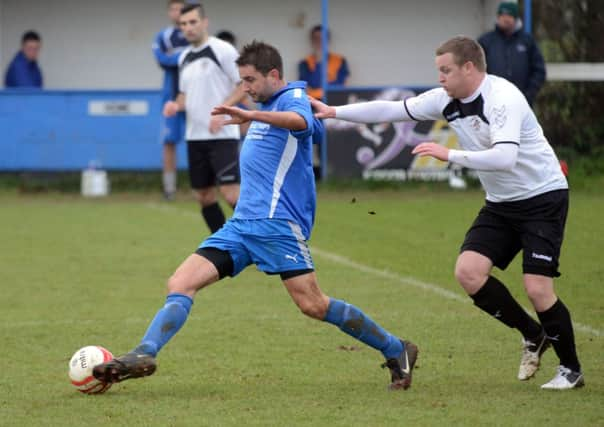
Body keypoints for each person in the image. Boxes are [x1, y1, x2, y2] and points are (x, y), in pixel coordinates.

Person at [92, 40, 418, 392]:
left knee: (313, 304)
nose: (244, 88)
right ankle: (144, 353)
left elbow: (300, 121)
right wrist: (251, 112)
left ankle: (396, 349)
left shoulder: (292, 97)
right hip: (242, 226)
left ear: (273, 75)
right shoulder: (265, 102)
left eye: (250, 80)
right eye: (242, 80)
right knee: (181, 283)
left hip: (277, 226)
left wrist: (250, 116)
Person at [312, 36, 583, 390]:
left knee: (537, 289)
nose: (439, 77)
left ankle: (571, 370)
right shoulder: (447, 100)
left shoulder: (503, 98)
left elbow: (505, 157)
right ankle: (533, 334)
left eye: (446, 70)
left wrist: (448, 155)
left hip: (542, 198)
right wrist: (335, 112)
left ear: (469, 67)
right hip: (501, 203)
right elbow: (391, 110)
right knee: (469, 273)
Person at [163, 3, 246, 233]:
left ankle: (262, 239)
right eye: (183, 24)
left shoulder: (223, 50)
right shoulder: (184, 58)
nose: (188, 28)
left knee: (230, 192)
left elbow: (243, 86)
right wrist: (174, 105)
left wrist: (223, 110)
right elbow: (184, 95)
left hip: (223, 135)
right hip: (195, 136)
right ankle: (224, 246)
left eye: (192, 22)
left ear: (204, 22)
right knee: (203, 195)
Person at [152, 0, 189, 200]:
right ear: (169, 12)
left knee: (198, 140)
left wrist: (178, 57)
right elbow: (162, 60)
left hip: (194, 96)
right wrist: (184, 56)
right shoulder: (163, 37)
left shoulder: (195, 35)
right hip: (171, 95)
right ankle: (169, 189)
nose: (177, 12)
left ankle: (200, 185)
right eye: (173, 8)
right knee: (169, 142)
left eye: (180, 8)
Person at [478, 1, 546, 106]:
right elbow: (477, 71)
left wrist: (528, 95)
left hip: (521, 103)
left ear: (516, 18)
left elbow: (539, 70)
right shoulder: (485, 41)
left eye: (509, 15)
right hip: (493, 103)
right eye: (502, 15)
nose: (505, 19)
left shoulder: (527, 41)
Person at [298, 25, 349, 99]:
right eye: (316, 38)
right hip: (314, 102)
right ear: (312, 41)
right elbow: (309, 86)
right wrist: (319, 60)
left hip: (335, 101)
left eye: (323, 39)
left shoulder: (340, 60)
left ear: (328, 40)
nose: (320, 42)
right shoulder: (305, 63)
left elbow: (341, 85)